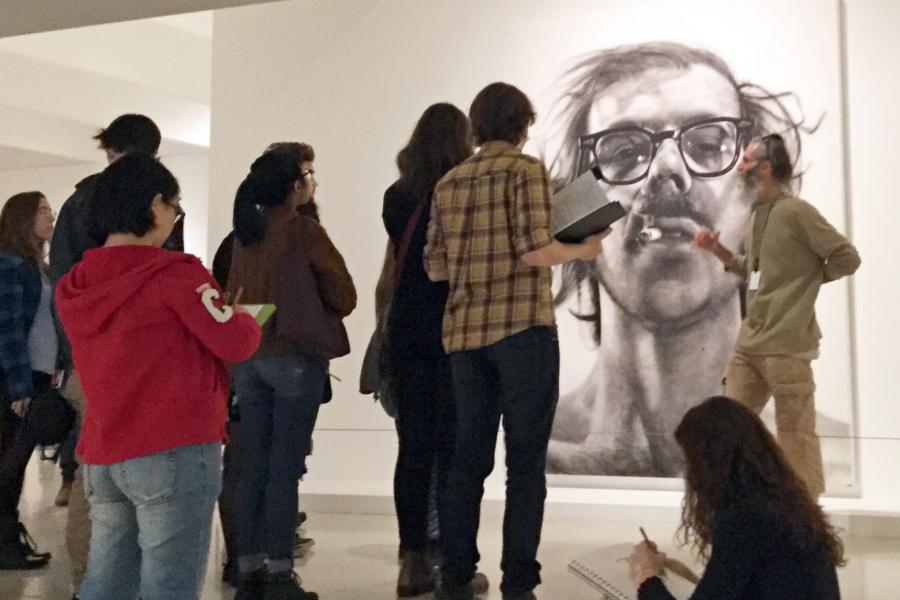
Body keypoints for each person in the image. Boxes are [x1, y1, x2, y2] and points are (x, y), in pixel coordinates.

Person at [545, 41, 824, 477]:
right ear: (576, 211)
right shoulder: (535, 446)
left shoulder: (811, 459)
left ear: (757, 196)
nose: (666, 167)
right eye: (624, 152)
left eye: (710, 143)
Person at [425, 82, 607, 600]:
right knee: (524, 464)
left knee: (467, 463)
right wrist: (584, 248)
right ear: (523, 124)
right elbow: (533, 251)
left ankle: (455, 576)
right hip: (522, 331)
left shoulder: (449, 181)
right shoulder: (525, 171)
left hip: (463, 335)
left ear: (476, 126)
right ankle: (518, 583)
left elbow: (436, 268)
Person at [55, 154, 260, 600]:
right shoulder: (176, 276)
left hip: (103, 450)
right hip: (174, 447)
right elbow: (235, 342)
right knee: (169, 585)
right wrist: (243, 316)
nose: (174, 218)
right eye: (175, 206)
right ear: (155, 205)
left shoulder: (74, 284)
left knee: (106, 581)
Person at [47, 113, 182, 593]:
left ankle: (94, 582)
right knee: (143, 477)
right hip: (139, 360)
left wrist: (73, 354)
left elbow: (63, 278)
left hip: (89, 355)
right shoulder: (156, 206)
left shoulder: (81, 201)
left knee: (98, 474)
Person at [694, 134, 860, 496]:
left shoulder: (797, 212)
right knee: (731, 427)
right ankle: (738, 508)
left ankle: (807, 522)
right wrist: (716, 249)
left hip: (786, 346)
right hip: (749, 343)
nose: (739, 166)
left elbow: (847, 257)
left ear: (765, 168)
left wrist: (807, 283)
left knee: (796, 435)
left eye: (746, 160)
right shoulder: (760, 215)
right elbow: (752, 270)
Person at [228, 149, 356, 600]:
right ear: (293, 186)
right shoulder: (303, 231)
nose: (313, 182)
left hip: (249, 358)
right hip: (294, 359)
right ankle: (281, 573)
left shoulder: (245, 234)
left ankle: (247, 569)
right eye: (309, 175)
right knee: (285, 469)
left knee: (253, 468)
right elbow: (344, 294)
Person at [383, 103, 487, 597]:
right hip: (457, 331)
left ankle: (412, 561)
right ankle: (453, 559)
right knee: (455, 451)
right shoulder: (467, 194)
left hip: (408, 334)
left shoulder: (396, 197)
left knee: (413, 450)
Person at [629, 396, 844, 599]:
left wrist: (645, 574)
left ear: (709, 463)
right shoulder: (784, 504)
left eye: (689, 461)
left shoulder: (745, 518)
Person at [0, 191, 57, 569]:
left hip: (36, 374)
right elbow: (8, 331)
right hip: (14, 380)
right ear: (23, 219)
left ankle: (8, 540)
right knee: (10, 463)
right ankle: (5, 543)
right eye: (42, 211)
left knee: (15, 463)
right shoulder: (11, 265)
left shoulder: (37, 266)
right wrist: (19, 386)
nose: (50, 217)